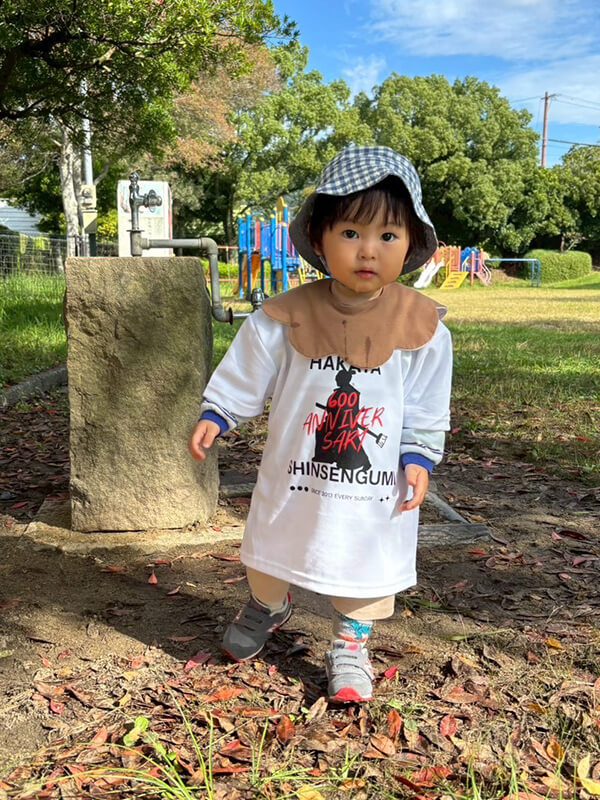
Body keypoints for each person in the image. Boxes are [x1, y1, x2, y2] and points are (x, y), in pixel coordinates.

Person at [189, 146, 453, 703]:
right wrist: (220, 411)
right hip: (295, 471)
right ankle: (268, 603)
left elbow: (427, 402)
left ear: (410, 243)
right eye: (351, 233)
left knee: (367, 561)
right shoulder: (283, 316)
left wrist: (418, 455)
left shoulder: (422, 327)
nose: (368, 250)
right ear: (319, 236)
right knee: (271, 544)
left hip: (373, 482)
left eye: (387, 236)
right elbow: (248, 368)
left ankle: (351, 643)